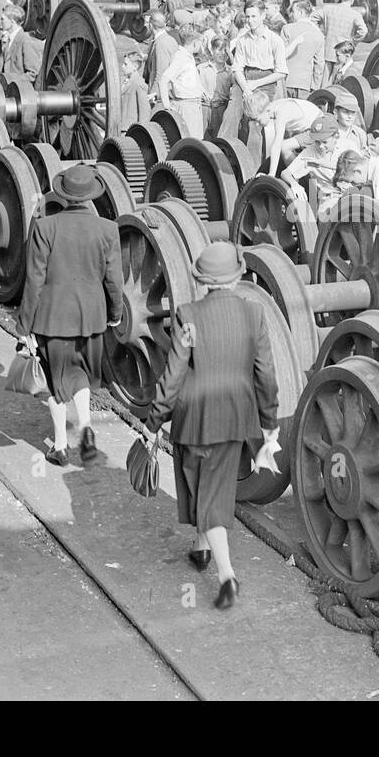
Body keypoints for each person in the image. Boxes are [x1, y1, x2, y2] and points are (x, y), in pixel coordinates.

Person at [146, 242, 280, 610]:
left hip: (195, 417)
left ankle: (226, 576)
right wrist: (269, 422)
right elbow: (265, 374)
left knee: (204, 489)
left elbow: (173, 374)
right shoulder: (254, 314)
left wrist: (155, 418)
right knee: (212, 487)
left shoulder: (187, 314)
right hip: (237, 416)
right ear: (237, 276)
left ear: (202, 280)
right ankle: (201, 549)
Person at [15, 164, 124, 468]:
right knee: (81, 374)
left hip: (54, 319)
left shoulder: (44, 228)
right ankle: (87, 428)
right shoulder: (108, 229)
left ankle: (61, 446)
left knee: (56, 381)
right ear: (92, 195)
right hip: (92, 319)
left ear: (63, 195)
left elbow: (34, 281)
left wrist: (24, 325)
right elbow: (115, 281)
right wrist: (114, 314)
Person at [220, 1, 289, 139]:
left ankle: (252, 159)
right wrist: (246, 88)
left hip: (266, 81)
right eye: (247, 17)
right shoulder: (242, 40)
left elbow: (281, 72)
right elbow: (237, 68)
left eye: (253, 16)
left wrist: (256, 84)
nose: (249, 20)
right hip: (244, 79)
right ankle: (223, 150)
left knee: (256, 122)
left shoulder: (275, 40)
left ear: (263, 16)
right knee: (231, 113)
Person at [247, 90, 321, 175]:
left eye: (258, 120)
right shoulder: (274, 106)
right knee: (288, 149)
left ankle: (298, 178)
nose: (257, 124)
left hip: (318, 128)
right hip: (309, 127)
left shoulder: (281, 112)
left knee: (284, 147)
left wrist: (271, 174)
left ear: (267, 110)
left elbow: (277, 145)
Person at [281, 113, 343, 212]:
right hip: (329, 200)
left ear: (335, 136)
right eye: (317, 142)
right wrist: (294, 184)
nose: (321, 146)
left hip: (352, 195)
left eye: (325, 142)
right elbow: (285, 173)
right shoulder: (311, 152)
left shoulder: (348, 146)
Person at [157, 25, 209, 138]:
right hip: (186, 106)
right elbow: (164, 80)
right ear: (195, 43)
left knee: (196, 141)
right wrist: (166, 104)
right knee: (190, 142)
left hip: (194, 105)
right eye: (201, 43)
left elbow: (189, 79)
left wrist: (201, 90)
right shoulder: (181, 58)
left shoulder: (188, 56)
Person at [319, 0, 367, 81]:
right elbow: (364, 31)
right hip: (343, 53)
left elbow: (313, 18)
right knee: (336, 83)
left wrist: (321, 34)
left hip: (327, 51)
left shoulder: (328, 9)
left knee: (324, 82)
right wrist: (352, 43)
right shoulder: (355, 14)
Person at [282, 0, 324, 97]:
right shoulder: (318, 34)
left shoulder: (287, 28)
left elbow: (280, 56)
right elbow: (319, 65)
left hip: (286, 81)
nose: (291, 14)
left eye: (293, 11)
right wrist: (315, 86)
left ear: (300, 12)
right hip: (305, 84)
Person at [0, 5, 44, 87]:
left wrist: (9, 79)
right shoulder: (9, 40)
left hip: (20, 93)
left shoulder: (27, 41)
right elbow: (1, 70)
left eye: (2, 19)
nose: (0, 22)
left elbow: (33, 74)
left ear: (12, 21)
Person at [143, 9, 179, 91]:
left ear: (151, 25)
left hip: (161, 93)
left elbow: (160, 74)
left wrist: (153, 94)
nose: (145, 25)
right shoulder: (170, 39)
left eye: (146, 23)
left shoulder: (161, 44)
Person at [118, 49, 151, 128]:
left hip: (129, 129)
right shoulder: (126, 81)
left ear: (135, 67)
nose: (122, 66)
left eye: (126, 64)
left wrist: (141, 131)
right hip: (121, 127)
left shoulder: (139, 84)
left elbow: (144, 111)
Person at [330, 87, 367, 153]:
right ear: (336, 112)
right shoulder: (329, 133)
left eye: (353, 112)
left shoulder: (360, 134)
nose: (350, 116)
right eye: (346, 112)